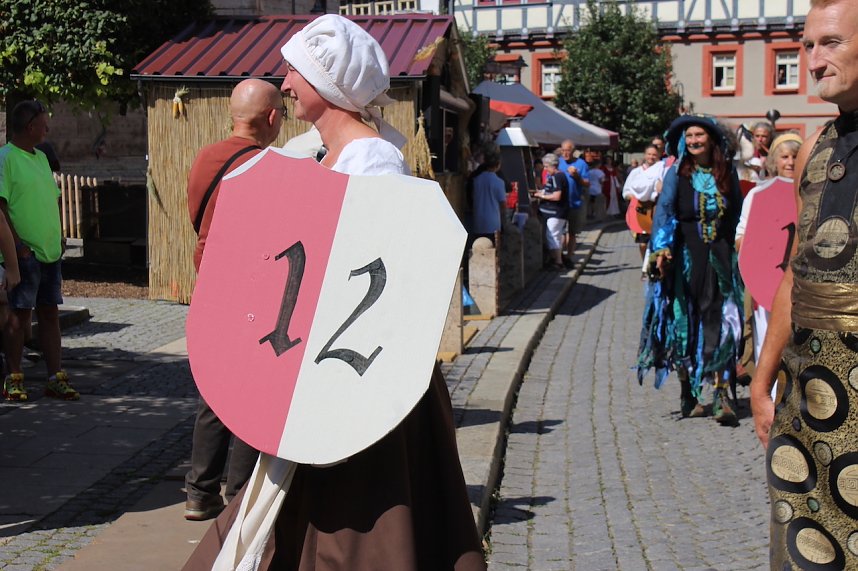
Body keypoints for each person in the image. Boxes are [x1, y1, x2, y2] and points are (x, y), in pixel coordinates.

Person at [184, 14, 485, 571]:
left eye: (295, 71)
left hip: (358, 376)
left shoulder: (374, 162)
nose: (287, 83)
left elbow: (374, 281)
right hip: (316, 368)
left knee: (357, 527)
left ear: (327, 84)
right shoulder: (322, 156)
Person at [751, 1, 858, 566]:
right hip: (806, 398)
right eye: (808, 45)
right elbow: (798, 270)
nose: (813, 61)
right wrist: (762, 377)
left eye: (831, 43)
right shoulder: (816, 147)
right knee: (803, 546)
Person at [182, 79, 281, 521]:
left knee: (213, 394)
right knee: (250, 396)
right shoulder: (269, 166)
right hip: (251, 292)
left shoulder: (205, 157)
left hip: (210, 286)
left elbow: (196, 217)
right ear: (273, 118)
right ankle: (240, 495)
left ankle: (199, 492)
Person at [637, 115, 743, 425]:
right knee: (685, 320)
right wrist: (661, 248)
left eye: (699, 135)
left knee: (724, 320)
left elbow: (737, 211)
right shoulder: (676, 173)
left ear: (711, 139)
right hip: (685, 256)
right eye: (690, 136)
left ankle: (722, 394)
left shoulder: (727, 173)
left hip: (721, 257)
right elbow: (665, 213)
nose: (694, 140)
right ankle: (689, 394)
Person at [0, 100, 74, 402]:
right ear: (30, 126)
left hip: (49, 253)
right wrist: (18, 247)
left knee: (49, 312)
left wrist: (58, 236)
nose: (48, 128)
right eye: (44, 123)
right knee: (19, 315)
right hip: (24, 254)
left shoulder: (42, 158)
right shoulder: (5, 158)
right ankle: (14, 377)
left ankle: (55, 377)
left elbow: (51, 199)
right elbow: (1, 206)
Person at [734, 133, 803, 388]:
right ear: (774, 160)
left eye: (795, 156)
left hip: (801, 285)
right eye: (784, 156)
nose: (790, 161)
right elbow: (741, 236)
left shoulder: (813, 194)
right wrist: (754, 251)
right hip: (767, 283)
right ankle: (771, 400)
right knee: (768, 342)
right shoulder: (758, 195)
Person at [622, 144, 665, 260]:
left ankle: (654, 266)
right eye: (649, 154)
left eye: (654, 154)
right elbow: (626, 191)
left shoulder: (662, 170)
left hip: (656, 208)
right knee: (643, 243)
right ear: (645, 155)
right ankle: (645, 265)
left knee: (657, 240)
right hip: (641, 211)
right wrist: (636, 197)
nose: (651, 157)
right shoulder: (636, 172)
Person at [558, 139, 589, 262]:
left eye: (568, 151)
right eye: (563, 150)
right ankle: (559, 256)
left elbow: (587, 183)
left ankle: (569, 256)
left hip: (574, 203)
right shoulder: (558, 163)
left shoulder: (581, 164)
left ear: (573, 151)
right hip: (559, 203)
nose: (565, 153)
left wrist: (576, 176)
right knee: (560, 232)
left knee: (571, 232)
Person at [536, 153, 568, 269]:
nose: (545, 169)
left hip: (555, 212)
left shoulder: (557, 177)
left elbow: (557, 196)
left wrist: (542, 197)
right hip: (554, 212)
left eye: (546, 166)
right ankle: (557, 260)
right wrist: (542, 192)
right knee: (555, 236)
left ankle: (557, 261)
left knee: (553, 236)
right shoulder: (556, 177)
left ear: (552, 166)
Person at [469, 150, 507, 245]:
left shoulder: (476, 180)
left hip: (478, 221)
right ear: (498, 165)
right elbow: (503, 204)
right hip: (493, 223)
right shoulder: (499, 182)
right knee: (493, 251)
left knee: (478, 250)